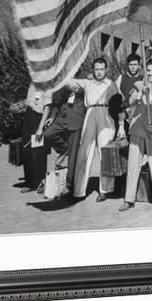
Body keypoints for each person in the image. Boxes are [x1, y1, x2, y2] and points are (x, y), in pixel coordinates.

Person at [119, 59, 152, 211]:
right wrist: (140, 94)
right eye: (148, 70)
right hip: (137, 130)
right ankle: (128, 199)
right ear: (145, 71)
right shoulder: (138, 85)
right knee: (133, 165)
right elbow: (129, 103)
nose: (150, 73)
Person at [67, 57, 120, 201]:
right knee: (84, 151)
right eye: (96, 69)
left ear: (106, 70)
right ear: (93, 70)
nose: (99, 72)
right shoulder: (87, 83)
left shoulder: (111, 84)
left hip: (106, 114)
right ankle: (78, 190)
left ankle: (105, 190)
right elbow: (68, 83)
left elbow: (118, 103)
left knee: (106, 152)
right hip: (90, 113)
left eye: (102, 69)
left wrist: (119, 124)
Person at [42, 84, 86, 193]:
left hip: (76, 120)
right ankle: (64, 148)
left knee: (73, 158)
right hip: (61, 119)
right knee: (47, 134)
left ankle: (71, 186)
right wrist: (52, 116)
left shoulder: (83, 80)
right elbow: (56, 103)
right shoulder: (61, 82)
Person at [19, 83, 52, 193]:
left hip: (38, 120)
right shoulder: (32, 84)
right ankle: (29, 182)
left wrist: (40, 128)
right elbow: (30, 102)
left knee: (38, 153)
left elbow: (47, 108)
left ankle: (40, 183)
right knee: (27, 151)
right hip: (29, 118)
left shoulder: (47, 85)